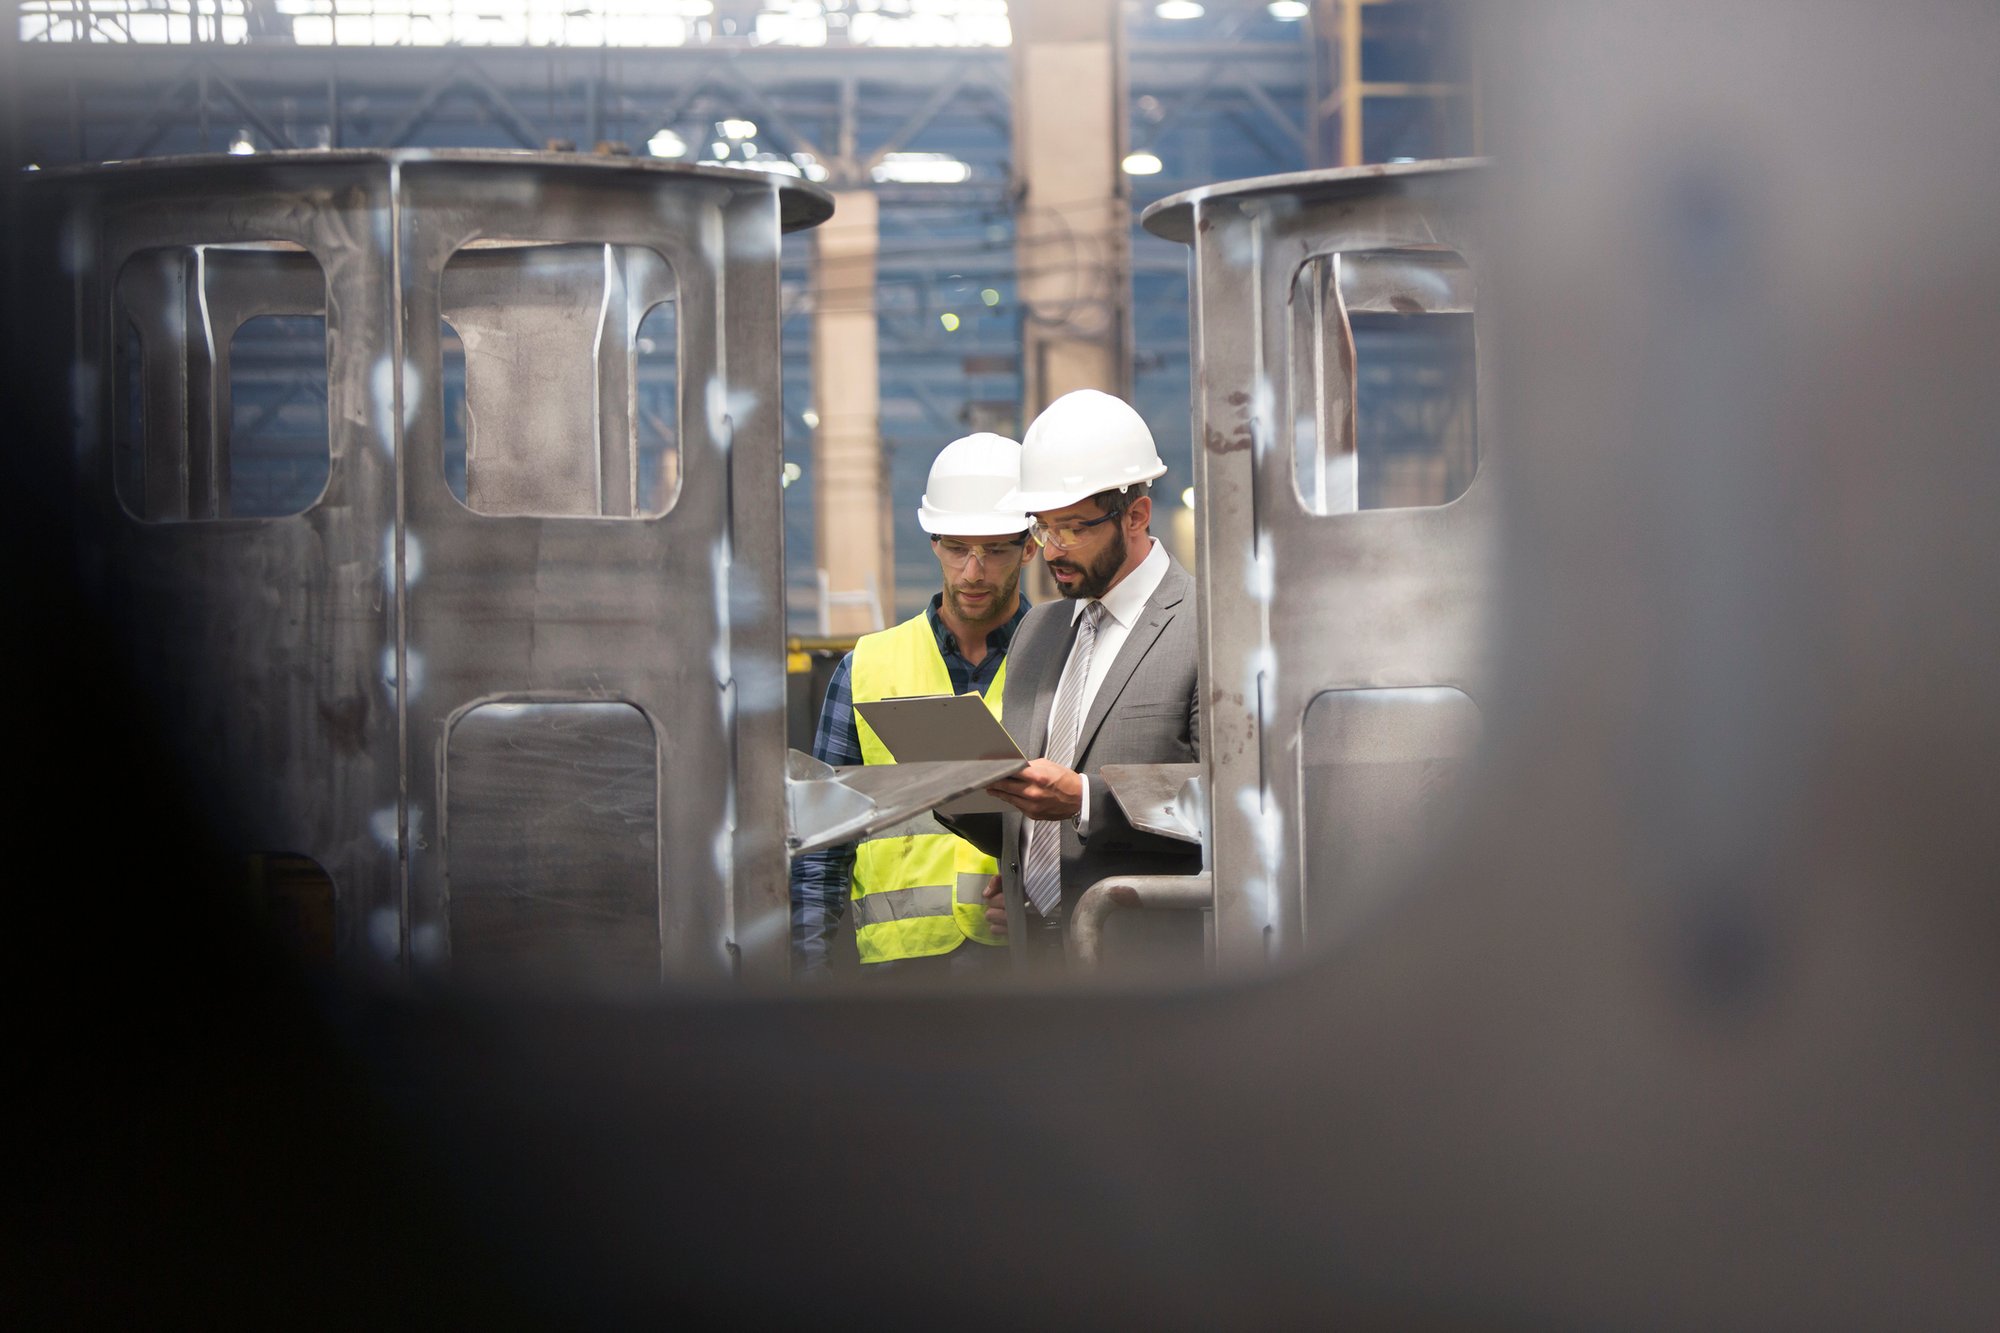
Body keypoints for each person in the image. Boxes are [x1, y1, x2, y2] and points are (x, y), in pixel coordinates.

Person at [946, 390, 1202, 964]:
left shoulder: (1206, 625)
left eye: (1071, 529)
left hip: (1146, 967)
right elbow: (1032, 806)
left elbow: (1236, 800)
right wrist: (969, 800)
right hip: (1033, 958)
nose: (1051, 551)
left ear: (1135, 516)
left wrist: (1087, 800)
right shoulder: (1039, 629)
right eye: (1042, 529)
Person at [789, 433, 1035, 979]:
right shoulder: (866, 668)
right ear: (933, 542)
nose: (973, 572)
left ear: (1030, 546)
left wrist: (1043, 907)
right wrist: (809, 983)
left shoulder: (1065, 660)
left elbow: (1080, 826)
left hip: (1023, 971)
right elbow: (819, 847)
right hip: (896, 979)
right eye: (957, 548)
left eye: (995, 550)